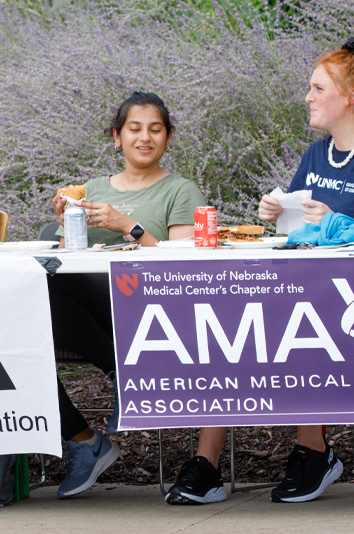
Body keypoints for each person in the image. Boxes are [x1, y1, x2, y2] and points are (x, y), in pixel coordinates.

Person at [165, 37, 354, 506]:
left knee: (297, 321)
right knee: (227, 324)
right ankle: (207, 463)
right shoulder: (316, 156)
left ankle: (313, 450)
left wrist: (345, 227)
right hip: (303, 289)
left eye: (317, 87)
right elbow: (303, 231)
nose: (307, 96)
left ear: (352, 97)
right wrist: (277, 214)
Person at [50, 92, 206, 498]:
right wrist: (66, 223)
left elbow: (185, 270)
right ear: (116, 137)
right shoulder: (91, 188)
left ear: (169, 138)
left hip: (152, 309)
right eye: (134, 129)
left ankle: (120, 376)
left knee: (52, 293)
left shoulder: (180, 191)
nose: (145, 137)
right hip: (91, 315)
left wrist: (130, 227)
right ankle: (86, 437)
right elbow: (68, 256)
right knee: (22, 334)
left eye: (155, 129)